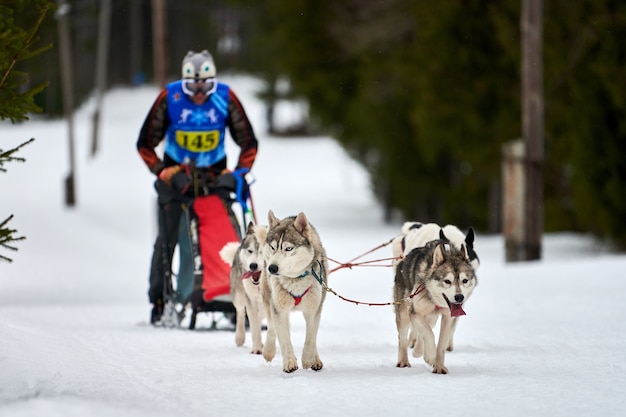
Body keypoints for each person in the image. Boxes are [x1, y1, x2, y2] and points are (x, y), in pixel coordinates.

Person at [136, 50, 258, 324]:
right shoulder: (170, 97)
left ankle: (236, 299)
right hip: (176, 179)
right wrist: (163, 172)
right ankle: (160, 302)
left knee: (227, 238)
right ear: (184, 83)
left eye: (205, 87)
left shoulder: (225, 98)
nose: (200, 94)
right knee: (167, 242)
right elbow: (145, 144)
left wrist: (237, 174)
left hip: (214, 178)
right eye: (193, 87)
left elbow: (249, 143)